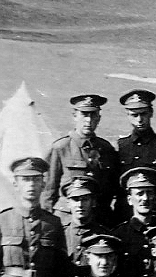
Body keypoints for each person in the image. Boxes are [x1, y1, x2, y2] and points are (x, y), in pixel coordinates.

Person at [43, 94, 119, 224]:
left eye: (93, 115)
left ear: (99, 118)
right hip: (67, 220)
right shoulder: (61, 147)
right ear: (75, 116)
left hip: (99, 219)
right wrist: (49, 225)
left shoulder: (106, 149)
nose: (88, 120)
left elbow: (111, 189)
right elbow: (48, 193)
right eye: (84, 114)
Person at [117, 89, 156, 201]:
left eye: (143, 114)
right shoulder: (121, 146)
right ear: (128, 115)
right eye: (134, 115)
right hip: (125, 209)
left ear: (151, 113)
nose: (140, 120)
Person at [112, 167, 156, 277]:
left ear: (155, 198)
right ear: (129, 200)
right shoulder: (119, 235)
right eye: (139, 193)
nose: (145, 198)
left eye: (149, 193)